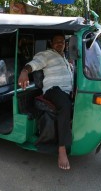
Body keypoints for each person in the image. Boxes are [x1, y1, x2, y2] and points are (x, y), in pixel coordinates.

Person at [18, 33, 73, 170]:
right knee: (65, 107)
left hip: (66, 91)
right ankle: (61, 150)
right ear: (51, 43)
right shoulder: (46, 54)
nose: (60, 43)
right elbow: (35, 64)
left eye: (62, 41)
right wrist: (25, 71)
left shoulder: (64, 57)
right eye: (56, 41)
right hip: (53, 89)